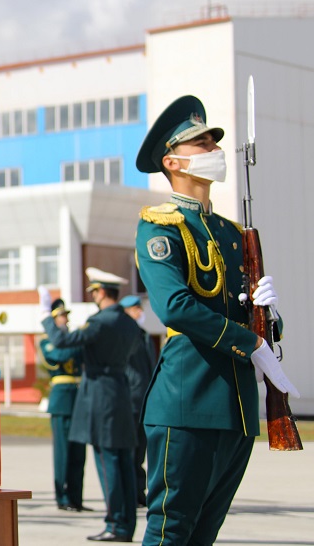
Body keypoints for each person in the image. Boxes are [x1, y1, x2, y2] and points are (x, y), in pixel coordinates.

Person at [134, 95, 298, 546]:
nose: (214, 150)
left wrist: (268, 312)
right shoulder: (160, 226)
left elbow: (256, 323)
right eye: (201, 143)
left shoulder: (229, 232)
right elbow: (175, 307)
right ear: (173, 161)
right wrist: (251, 342)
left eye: (213, 141)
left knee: (204, 534)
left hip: (236, 409)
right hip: (187, 402)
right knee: (171, 531)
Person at [45, 268, 141, 543]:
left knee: (106, 460)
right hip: (120, 392)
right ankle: (126, 524)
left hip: (101, 395)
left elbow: (62, 341)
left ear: (99, 292)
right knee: (123, 461)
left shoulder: (100, 321)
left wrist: (46, 318)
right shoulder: (130, 323)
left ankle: (115, 524)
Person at [36, 292, 87, 513]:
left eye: (66, 315)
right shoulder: (46, 341)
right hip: (62, 398)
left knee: (79, 452)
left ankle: (76, 498)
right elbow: (59, 357)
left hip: (78, 397)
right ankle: (62, 497)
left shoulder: (73, 339)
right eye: (61, 316)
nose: (65, 319)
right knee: (63, 452)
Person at [118, 294, 155, 507]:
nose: (140, 312)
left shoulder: (143, 334)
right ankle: (129, 493)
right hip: (130, 399)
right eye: (135, 309)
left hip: (144, 400)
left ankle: (139, 492)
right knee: (130, 451)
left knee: (140, 451)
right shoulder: (125, 335)